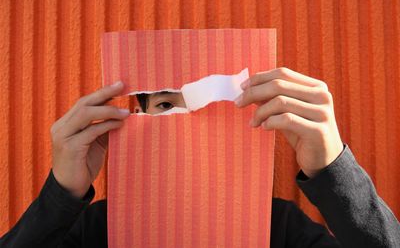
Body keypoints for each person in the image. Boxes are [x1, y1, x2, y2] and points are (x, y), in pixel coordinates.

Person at [0, 68, 399, 247]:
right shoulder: (97, 230)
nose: (191, 125)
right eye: (168, 105)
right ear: (134, 120)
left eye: (212, 106)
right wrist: (61, 196)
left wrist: (332, 172)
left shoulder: (278, 228)